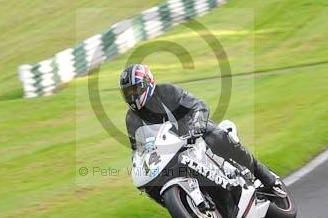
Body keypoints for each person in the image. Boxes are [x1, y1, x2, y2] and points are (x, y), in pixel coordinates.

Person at [121, 64, 286, 197]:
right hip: (171, 153)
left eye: (135, 89)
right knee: (153, 185)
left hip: (194, 134)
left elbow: (198, 105)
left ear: (147, 82)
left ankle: (267, 178)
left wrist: (196, 126)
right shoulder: (131, 119)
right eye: (128, 92)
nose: (132, 96)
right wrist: (140, 167)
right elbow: (139, 148)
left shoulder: (167, 91)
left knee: (218, 137)